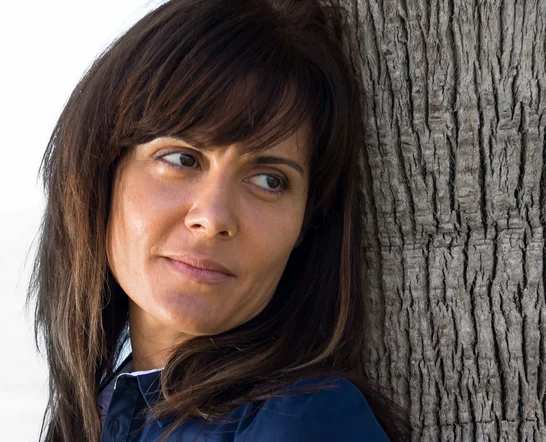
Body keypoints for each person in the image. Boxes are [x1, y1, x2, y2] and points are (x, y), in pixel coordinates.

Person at [29, 0, 411, 440]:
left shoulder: (302, 421)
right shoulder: (97, 414)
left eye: (269, 180)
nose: (213, 218)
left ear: (307, 224)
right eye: (181, 158)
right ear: (102, 172)